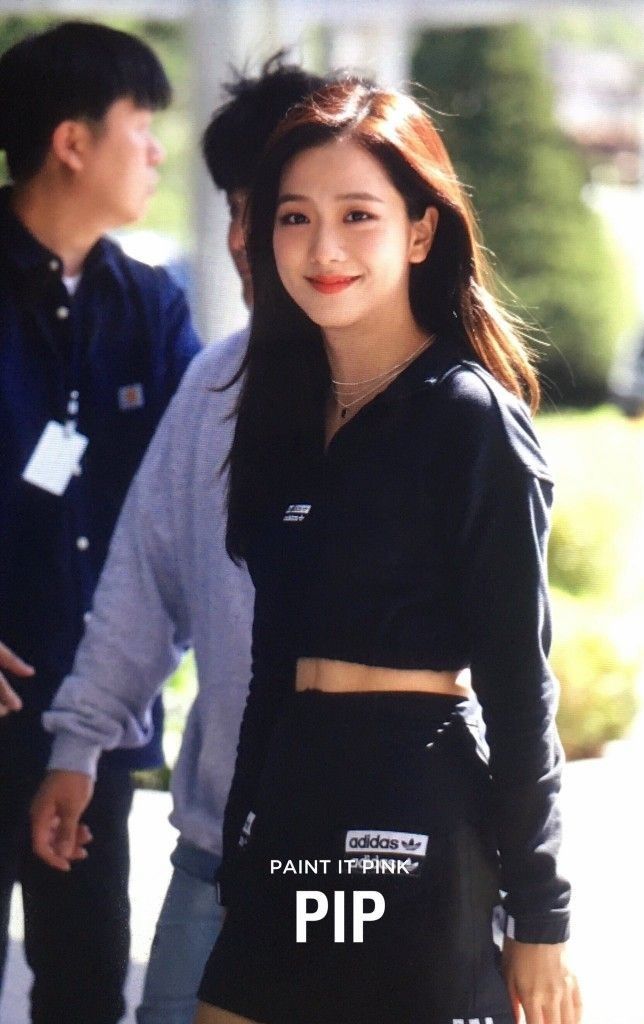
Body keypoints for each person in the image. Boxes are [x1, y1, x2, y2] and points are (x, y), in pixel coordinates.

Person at [196, 80, 582, 1024]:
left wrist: (542, 916)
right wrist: (244, 845)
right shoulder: (283, 412)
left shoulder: (470, 417)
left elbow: (520, 685)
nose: (322, 248)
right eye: (295, 217)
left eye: (357, 215)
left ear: (420, 232)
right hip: (294, 794)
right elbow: (272, 661)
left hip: (409, 807)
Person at [29, 56, 328, 1024]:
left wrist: (529, 894)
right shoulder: (215, 385)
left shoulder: (441, 403)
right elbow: (147, 579)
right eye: (239, 208)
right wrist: (81, 739)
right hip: (213, 841)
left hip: (379, 848)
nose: (243, 238)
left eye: (273, 209)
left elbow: (504, 658)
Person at [0, 21, 200, 1024]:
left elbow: (201, 477)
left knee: (85, 990)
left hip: (91, 719)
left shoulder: (149, 304)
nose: (158, 151)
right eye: (142, 125)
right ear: (72, 142)